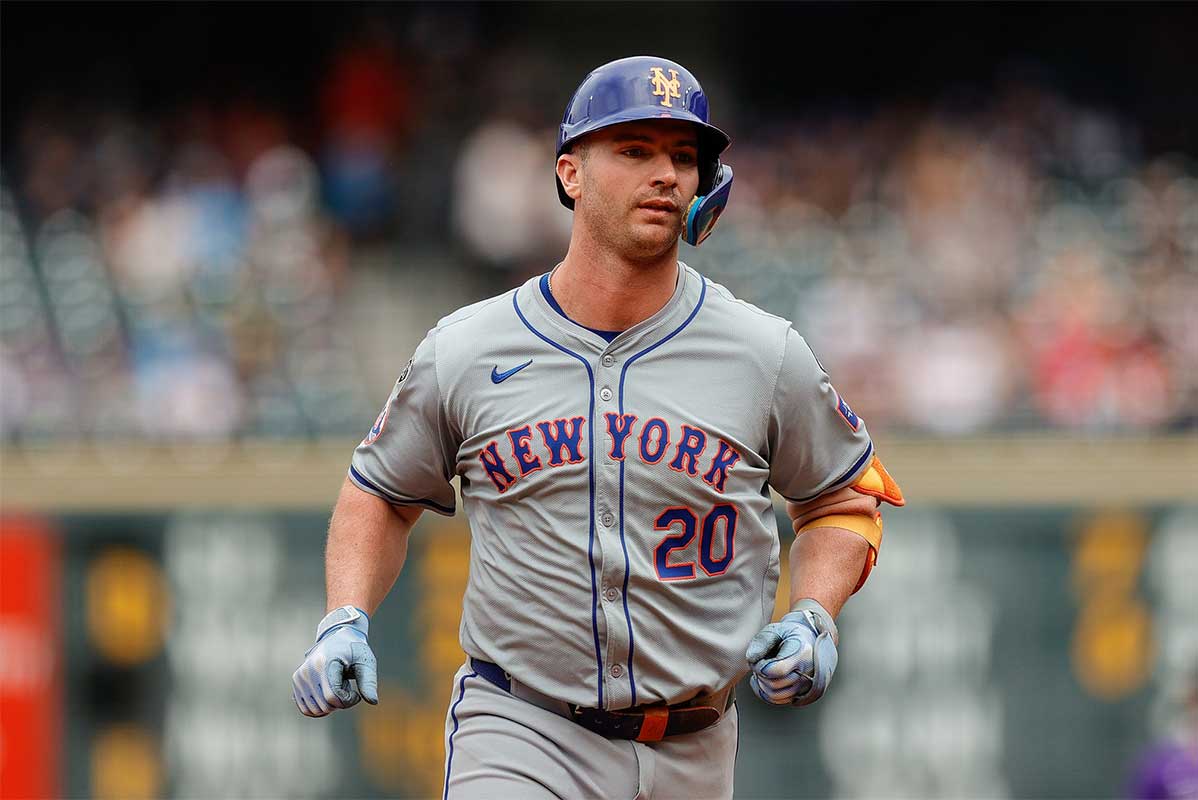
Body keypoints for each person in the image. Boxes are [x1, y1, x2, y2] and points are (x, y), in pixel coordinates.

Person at [292, 55, 904, 799]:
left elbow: (841, 500)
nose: (666, 175)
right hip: (522, 729)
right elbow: (381, 494)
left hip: (697, 745)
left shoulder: (763, 353)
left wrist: (814, 615)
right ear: (570, 173)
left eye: (684, 157)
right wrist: (344, 618)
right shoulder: (467, 348)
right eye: (635, 150)